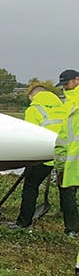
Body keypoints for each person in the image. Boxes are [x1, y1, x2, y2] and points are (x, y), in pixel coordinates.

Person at [12, 85, 75, 232]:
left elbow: (29, 136)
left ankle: (24, 223)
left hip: (43, 156)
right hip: (64, 155)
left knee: (31, 186)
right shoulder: (65, 107)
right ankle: (71, 229)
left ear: (34, 96)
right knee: (66, 190)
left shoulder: (34, 109)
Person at [54, 70, 79, 237]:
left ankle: (72, 229)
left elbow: (63, 138)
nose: (64, 87)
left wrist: (60, 164)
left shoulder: (71, 104)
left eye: (66, 83)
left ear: (77, 80)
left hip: (73, 162)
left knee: (68, 193)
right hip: (73, 160)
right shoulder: (69, 103)